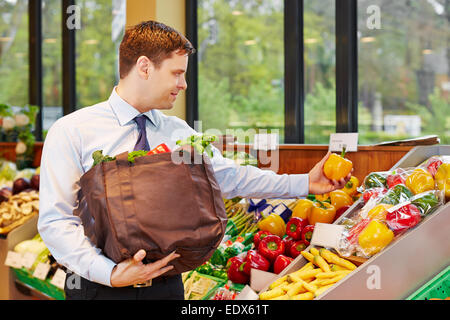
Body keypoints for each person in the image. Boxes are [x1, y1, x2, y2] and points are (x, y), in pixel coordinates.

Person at [38, 20, 351, 300]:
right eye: (177, 73)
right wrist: (109, 273)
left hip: (168, 286)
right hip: (99, 290)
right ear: (144, 67)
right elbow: (56, 221)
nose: (183, 85)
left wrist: (305, 183)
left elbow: (229, 177)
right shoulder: (73, 131)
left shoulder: (178, 131)